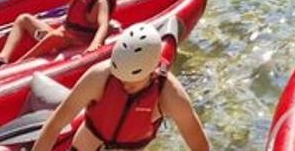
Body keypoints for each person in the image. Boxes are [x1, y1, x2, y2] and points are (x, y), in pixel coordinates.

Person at [31, 23, 210, 151]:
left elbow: (198, 143)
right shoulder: (98, 76)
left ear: (153, 71)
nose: (123, 84)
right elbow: (55, 125)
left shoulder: (170, 94)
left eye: (132, 81)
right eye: (119, 77)